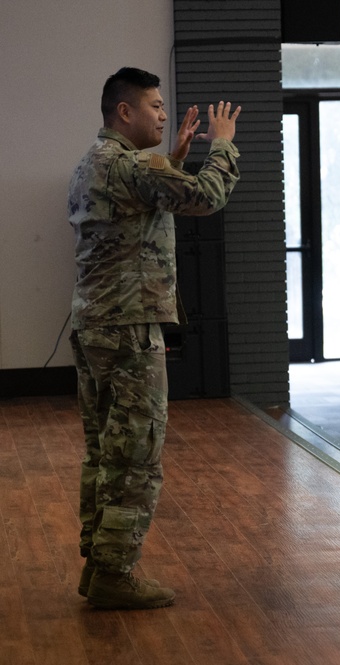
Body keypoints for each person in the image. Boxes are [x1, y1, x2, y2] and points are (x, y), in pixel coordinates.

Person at [69, 67, 242, 609]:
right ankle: (114, 576)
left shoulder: (96, 163)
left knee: (105, 451)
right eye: (156, 106)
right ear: (125, 112)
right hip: (127, 330)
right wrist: (222, 147)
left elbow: (145, 205)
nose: (165, 115)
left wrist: (176, 157)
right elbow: (206, 197)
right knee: (136, 457)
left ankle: (99, 565)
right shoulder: (129, 165)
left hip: (96, 326)